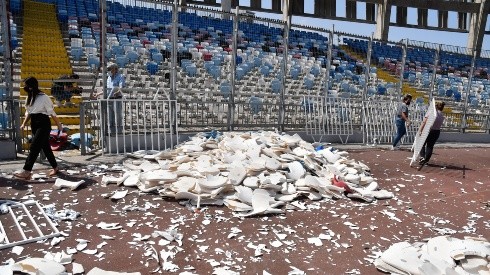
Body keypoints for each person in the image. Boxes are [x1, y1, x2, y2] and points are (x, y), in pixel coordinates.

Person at [14, 77, 63, 180]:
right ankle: (55, 167)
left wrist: (58, 124)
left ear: (32, 86)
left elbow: (51, 112)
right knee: (46, 148)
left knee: (34, 146)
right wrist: (23, 124)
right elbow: (29, 113)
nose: (25, 87)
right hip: (34, 123)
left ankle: (27, 171)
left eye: (27, 85)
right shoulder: (29, 97)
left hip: (43, 123)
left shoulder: (43, 97)